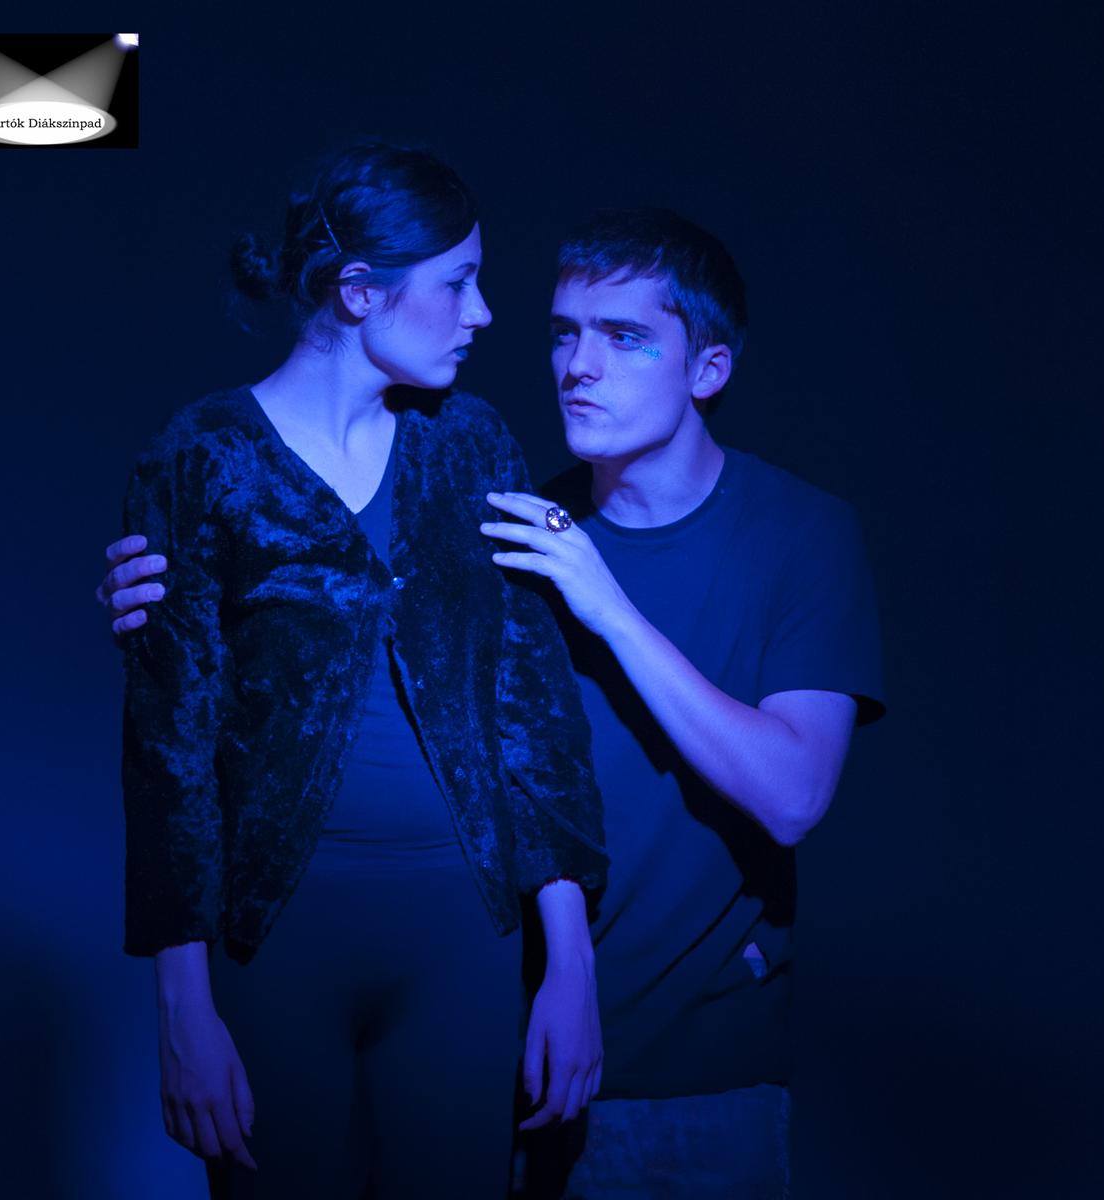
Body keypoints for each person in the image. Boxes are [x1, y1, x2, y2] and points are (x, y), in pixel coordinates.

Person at [103, 204, 886, 1199]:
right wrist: (161, 602)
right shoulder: (496, 519)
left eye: (625, 337)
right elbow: (289, 652)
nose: (579, 366)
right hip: (497, 1044)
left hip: (693, 1073)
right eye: (564, 334)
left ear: (709, 370)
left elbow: (793, 793)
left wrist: (604, 602)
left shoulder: (800, 534)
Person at [108, 142, 607, 1200]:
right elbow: (168, 749)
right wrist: (181, 1008)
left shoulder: (472, 445)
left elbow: (534, 710)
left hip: (463, 940)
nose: (483, 313)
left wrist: (571, 964)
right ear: (359, 291)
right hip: (278, 944)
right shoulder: (202, 456)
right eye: (457, 283)